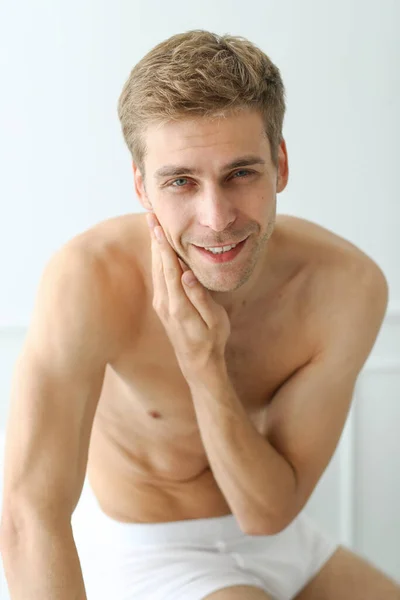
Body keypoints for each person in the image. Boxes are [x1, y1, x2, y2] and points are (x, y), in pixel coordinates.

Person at [1, 29, 399, 600]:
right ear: (142, 187)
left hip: (285, 540)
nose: (216, 218)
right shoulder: (89, 279)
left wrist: (202, 361)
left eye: (240, 173)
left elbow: (267, 514)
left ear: (279, 164)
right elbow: (27, 513)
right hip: (145, 551)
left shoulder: (346, 287)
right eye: (181, 181)